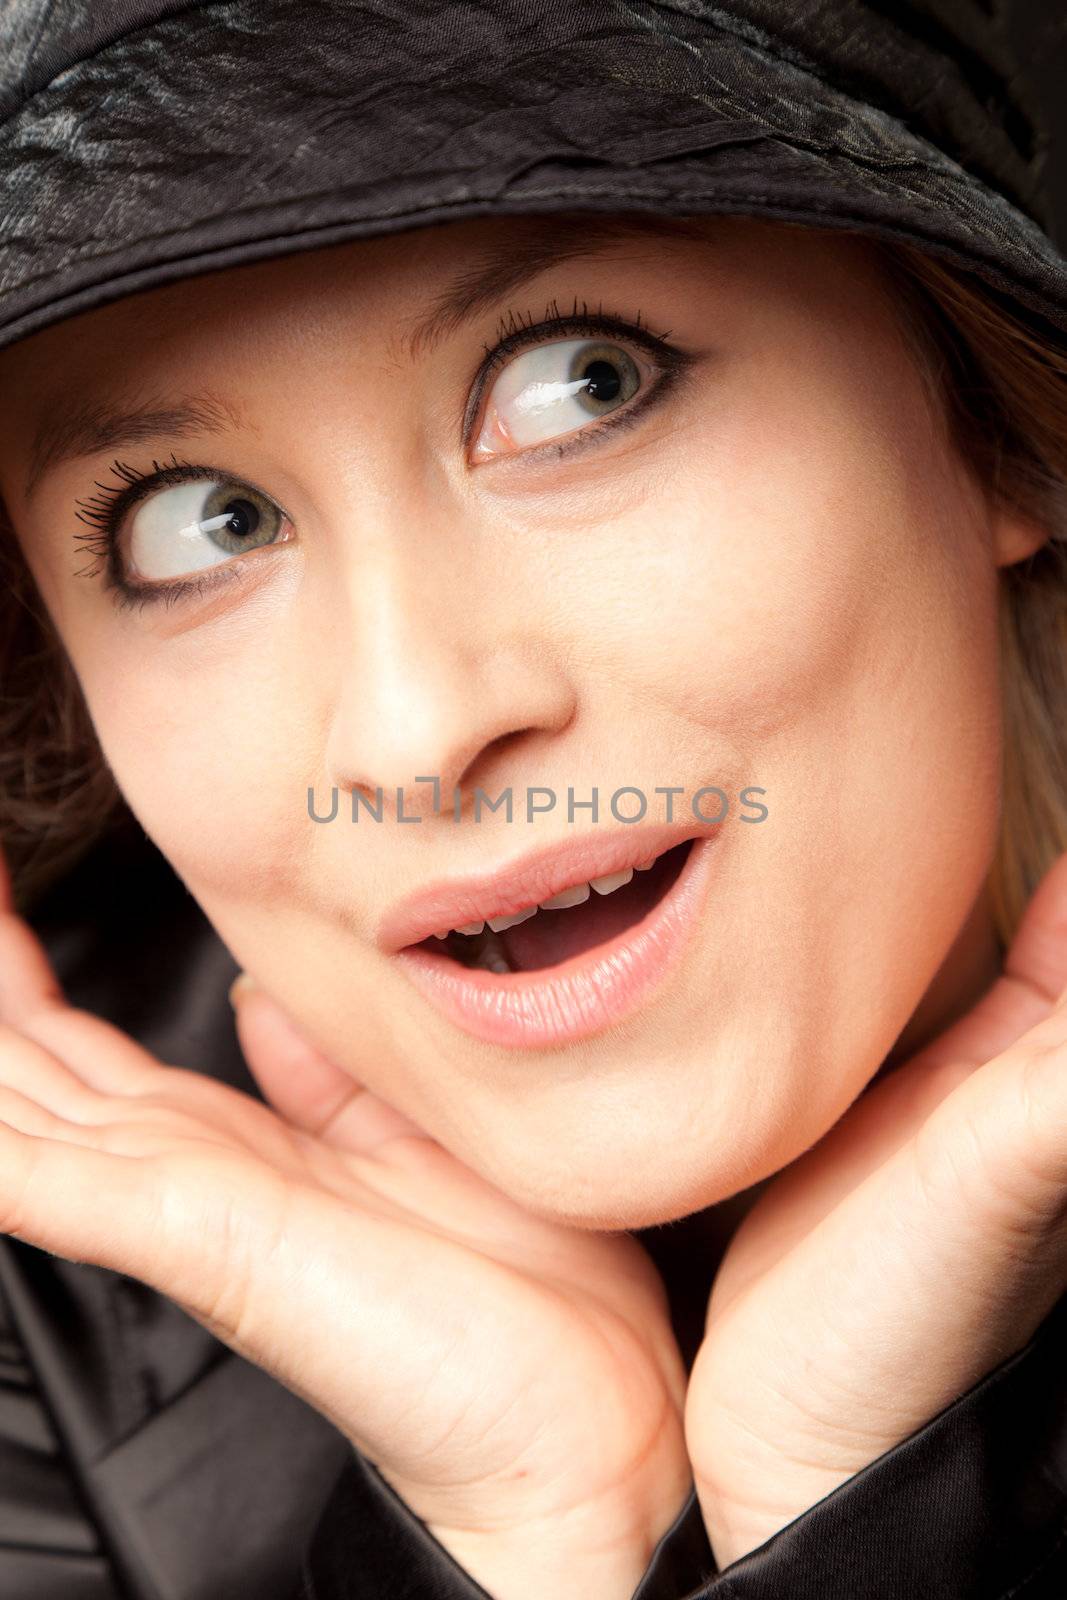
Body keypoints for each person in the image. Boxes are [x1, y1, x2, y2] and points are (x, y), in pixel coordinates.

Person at [0, 3, 1066, 1597]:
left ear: (994, 431)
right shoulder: (40, 1357)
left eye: (584, 383)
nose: (418, 727)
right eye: (201, 524)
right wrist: (531, 1539)